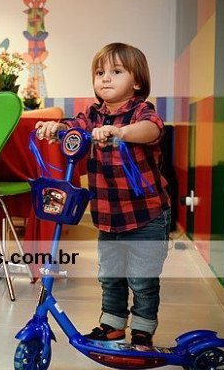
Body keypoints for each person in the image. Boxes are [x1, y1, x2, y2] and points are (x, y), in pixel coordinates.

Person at [35, 42, 171, 346]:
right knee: (110, 276)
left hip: (146, 215)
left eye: (116, 71)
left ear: (137, 82)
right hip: (109, 217)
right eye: (100, 73)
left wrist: (121, 132)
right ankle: (112, 326)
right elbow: (73, 126)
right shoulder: (93, 114)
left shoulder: (140, 111)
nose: (106, 78)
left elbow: (153, 128)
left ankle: (142, 331)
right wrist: (55, 127)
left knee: (142, 279)